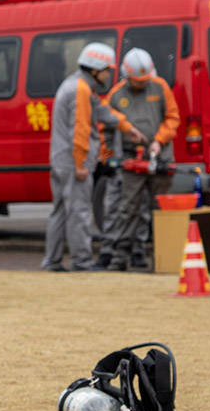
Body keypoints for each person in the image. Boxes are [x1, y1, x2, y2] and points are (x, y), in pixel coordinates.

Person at [41, 42, 146, 272]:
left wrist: (127, 128)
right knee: (78, 211)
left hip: (61, 159)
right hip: (72, 161)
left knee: (60, 210)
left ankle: (52, 260)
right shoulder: (79, 90)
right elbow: (79, 131)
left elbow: (102, 112)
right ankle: (82, 261)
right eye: (107, 70)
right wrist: (80, 163)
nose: (109, 74)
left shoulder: (78, 86)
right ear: (95, 69)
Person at [100, 48, 180, 271]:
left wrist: (160, 141)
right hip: (130, 161)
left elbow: (172, 117)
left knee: (160, 209)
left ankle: (163, 257)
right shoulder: (116, 95)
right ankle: (119, 258)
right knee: (128, 208)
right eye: (137, 81)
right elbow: (104, 127)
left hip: (159, 158)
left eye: (145, 80)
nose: (142, 84)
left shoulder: (160, 86)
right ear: (127, 77)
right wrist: (106, 157)